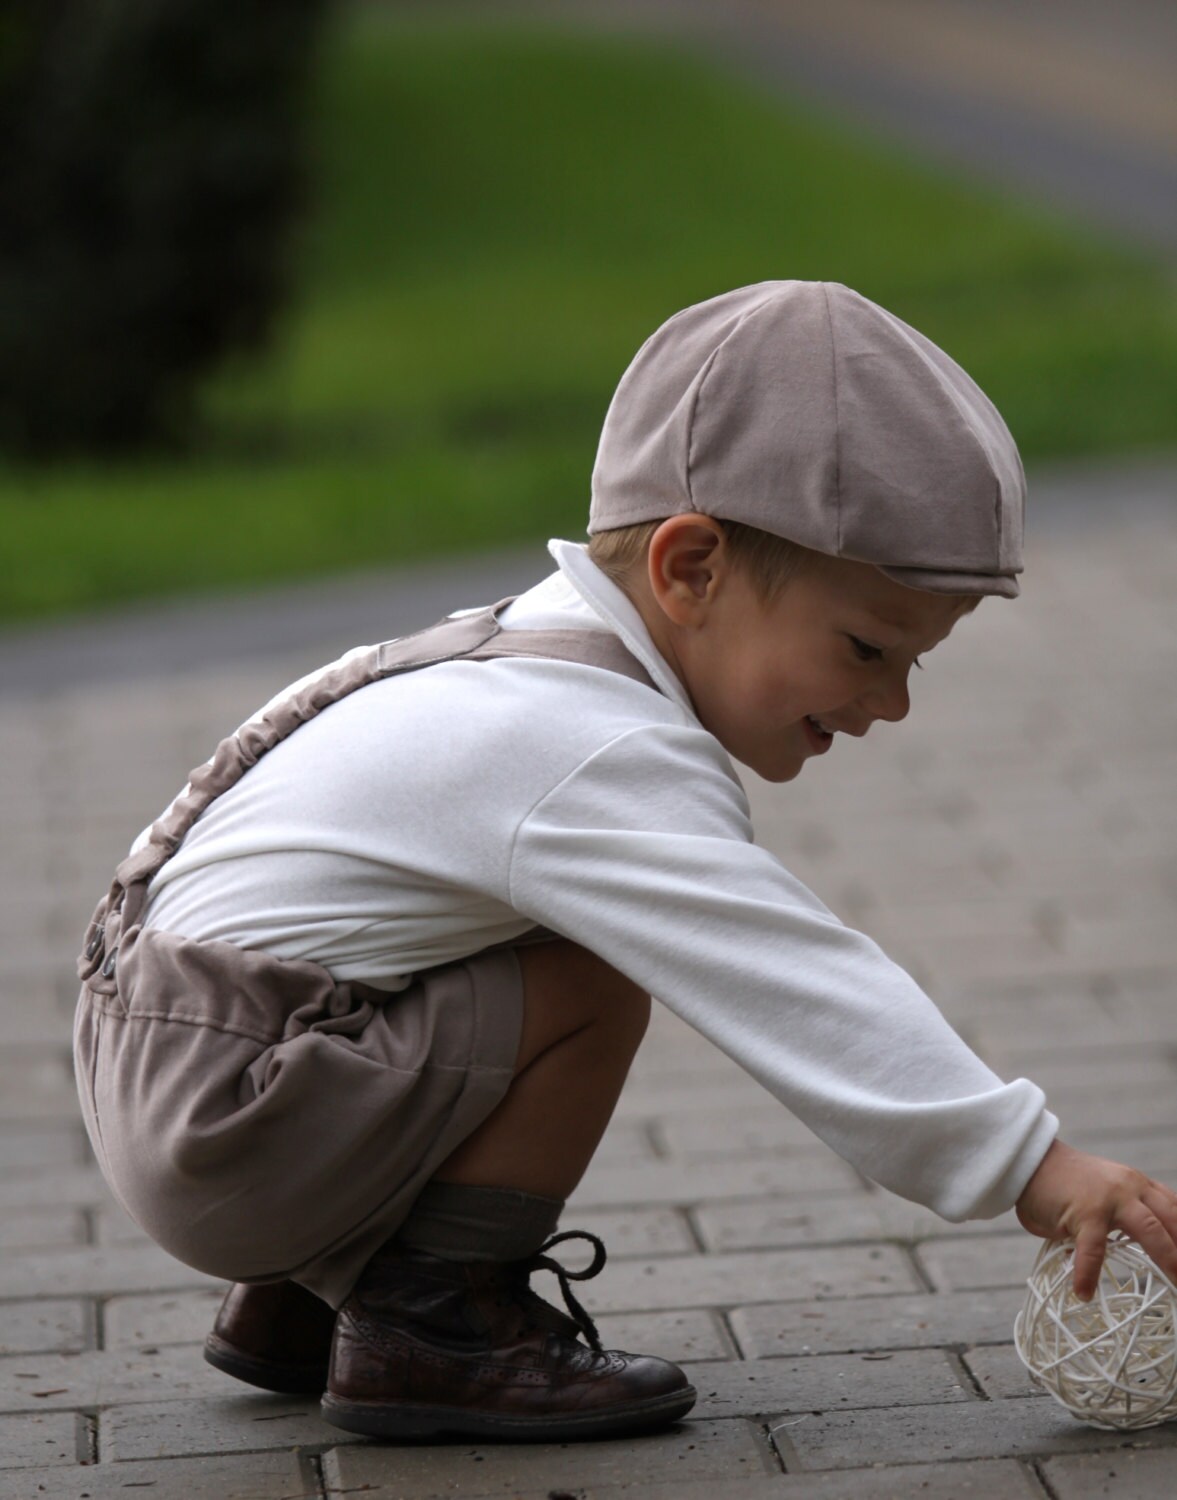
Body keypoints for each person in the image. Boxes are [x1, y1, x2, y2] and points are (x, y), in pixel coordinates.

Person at [73, 282, 1177, 1445]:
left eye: (915, 663)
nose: (891, 702)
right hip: (224, 1115)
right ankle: (434, 1324)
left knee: (531, 931)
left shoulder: (520, 654)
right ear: (688, 568)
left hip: (184, 1063)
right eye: (866, 647)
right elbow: (787, 976)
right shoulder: (597, 747)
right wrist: (1029, 1165)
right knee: (589, 973)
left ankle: (314, 1299)